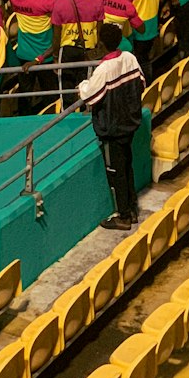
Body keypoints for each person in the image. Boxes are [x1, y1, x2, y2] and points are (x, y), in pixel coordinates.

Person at [77, 21, 146, 229]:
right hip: (130, 122)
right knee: (127, 165)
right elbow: (142, 83)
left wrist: (82, 85)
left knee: (117, 171)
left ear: (101, 44)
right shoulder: (130, 58)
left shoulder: (104, 69)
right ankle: (132, 210)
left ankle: (124, 216)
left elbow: (90, 97)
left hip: (113, 128)